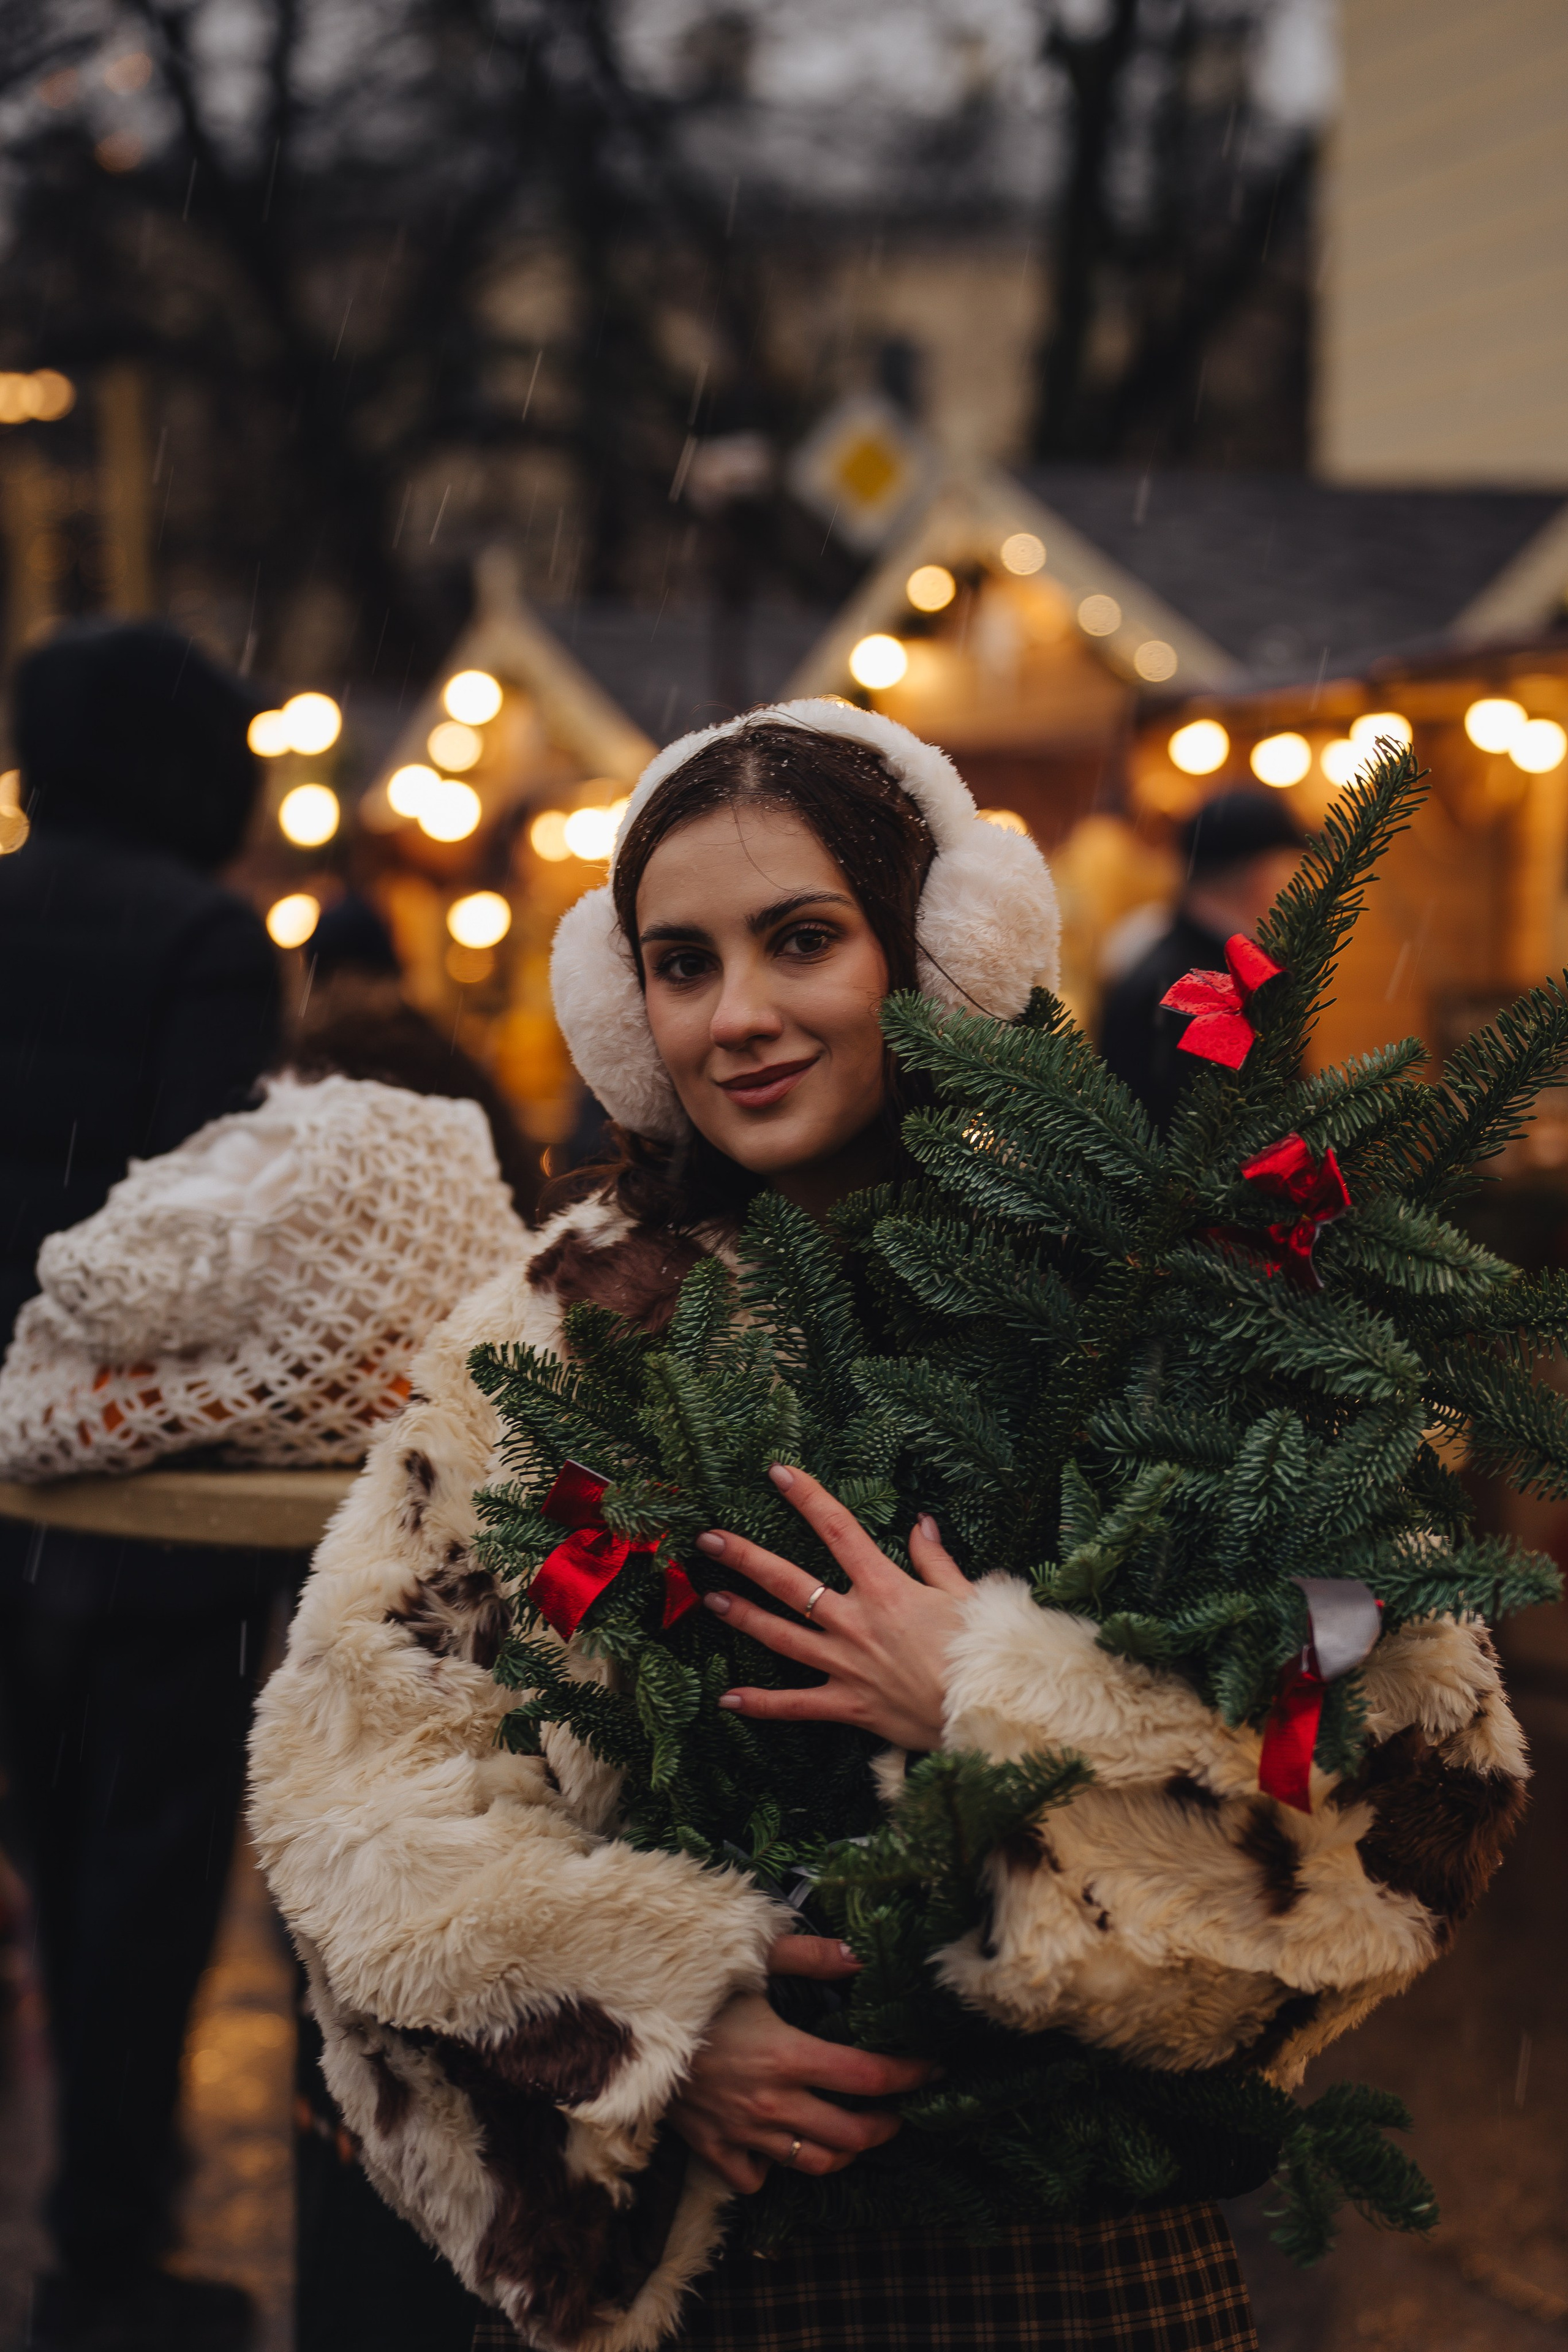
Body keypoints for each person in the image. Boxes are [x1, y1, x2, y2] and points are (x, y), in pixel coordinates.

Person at [249, 706, 1521, 2352]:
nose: (741, 1016)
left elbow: (1420, 1766)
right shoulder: (547, 1342)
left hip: (1082, 2260)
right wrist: (652, 2017)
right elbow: (360, 1785)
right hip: (725, 2262)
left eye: (802, 941)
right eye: (682, 964)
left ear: (942, 946)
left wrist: (998, 1703)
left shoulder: (1152, 1293)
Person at [0, 621, 280, 2352]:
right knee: (151, 1873)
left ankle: (79, 2237)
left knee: (45, 1841)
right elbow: (204, 1237)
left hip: (1, 1491)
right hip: (144, 1497)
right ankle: (108, 2250)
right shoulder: (207, 937)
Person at [1098, 789, 1307, 1131]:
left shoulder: (1181, 968)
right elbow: (1233, 1131)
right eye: (1290, 868)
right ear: (1259, 873)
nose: (1298, 888)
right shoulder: (1205, 988)